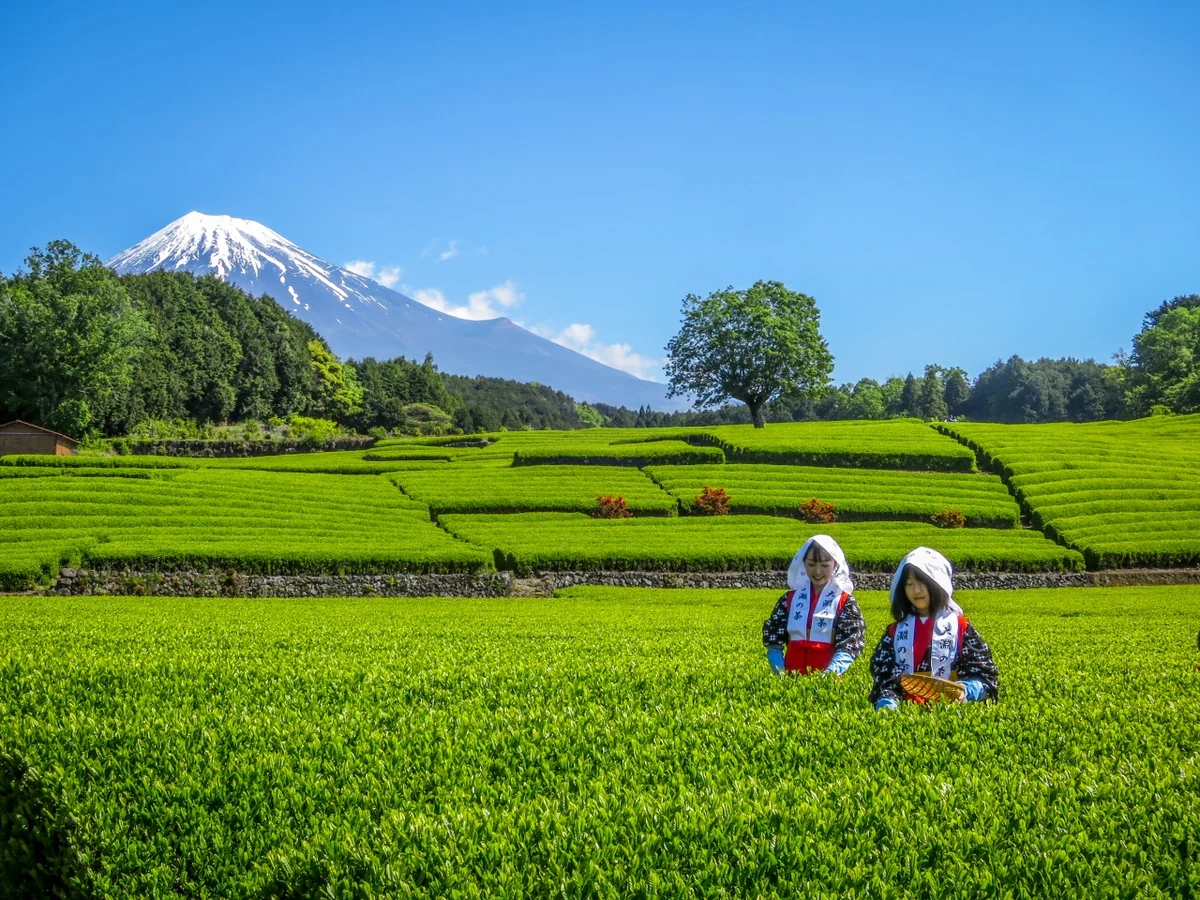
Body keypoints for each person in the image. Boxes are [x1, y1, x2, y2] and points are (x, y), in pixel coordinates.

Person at [869, 546, 999, 710]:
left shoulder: (961, 628)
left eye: (923, 583)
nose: (916, 590)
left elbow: (983, 673)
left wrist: (965, 690)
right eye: (909, 584)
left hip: (952, 709)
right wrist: (888, 704)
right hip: (906, 710)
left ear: (938, 584)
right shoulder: (895, 632)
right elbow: (883, 674)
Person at [762, 534, 866, 676]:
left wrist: (830, 675)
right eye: (811, 564)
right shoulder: (789, 599)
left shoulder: (845, 602)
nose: (817, 571)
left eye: (824, 565)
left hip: (829, 678)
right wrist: (779, 670)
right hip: (791, 676)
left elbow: (850, 643)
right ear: (803, 563)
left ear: (835, 564)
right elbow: (774, 637)